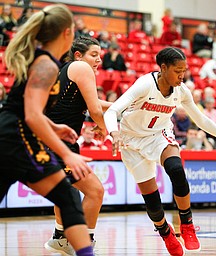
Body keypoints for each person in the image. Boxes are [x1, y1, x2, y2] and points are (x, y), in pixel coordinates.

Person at [103, 47, 216, 256]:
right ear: (163, 68)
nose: (182, 76)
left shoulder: (181, 91)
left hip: (158, 135)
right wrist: (114, 133)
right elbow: (113, 110)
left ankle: (187, 224)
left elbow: (202, 120)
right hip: (131, 140)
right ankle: (165, 231)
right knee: (152, 200)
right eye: (178, 71)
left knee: (176, 169)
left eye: (184, 70)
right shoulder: (144, 84)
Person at [0, 4, 95, 256]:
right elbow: (31, 115)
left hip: (14, 135)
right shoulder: (47, 65)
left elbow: (25, 106)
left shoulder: (47, 62)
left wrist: (54, 126)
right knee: (68, 197)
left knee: (68, 198)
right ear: (67, 33)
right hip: (14, 138)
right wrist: (67, 154)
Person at [44, 36, 112, 255]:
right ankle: (83, 242)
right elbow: (95, 110)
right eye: (94, 54)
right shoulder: (82, 68)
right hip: (58, 144)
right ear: (78, 55)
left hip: (56, 143)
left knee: (68, 189)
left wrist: (125, 106)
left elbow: (96, 104)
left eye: (100, 56)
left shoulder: (68, 69)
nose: (98, 60)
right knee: (95, 191)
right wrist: (108, 130)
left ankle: (60, 237)